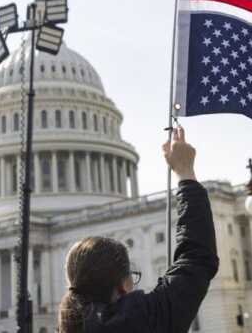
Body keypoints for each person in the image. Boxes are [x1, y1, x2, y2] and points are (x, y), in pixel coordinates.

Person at [57, 127, 219, 332]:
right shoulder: (148, 319)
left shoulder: (69, 326)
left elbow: (196, 259)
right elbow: (197, 257)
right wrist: (185, 172)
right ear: (124, 285)